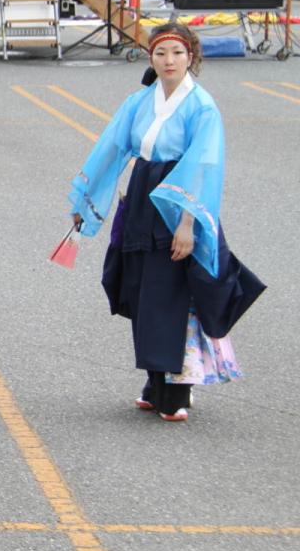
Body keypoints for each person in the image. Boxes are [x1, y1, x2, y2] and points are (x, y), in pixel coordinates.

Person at [68, 24, 265, 422]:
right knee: (140, 288)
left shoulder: (202, 107)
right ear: (151, 58)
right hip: (144, 195)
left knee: (172, 293)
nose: (169, 60)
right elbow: (111, 148)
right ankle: (154, 382)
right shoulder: (140, 101)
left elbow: (202, 168)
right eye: (161, 53)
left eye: (176, 52)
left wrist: (187, 225)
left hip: (179, 202)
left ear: (190, 56)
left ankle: (177, 389)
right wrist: (88, 203)